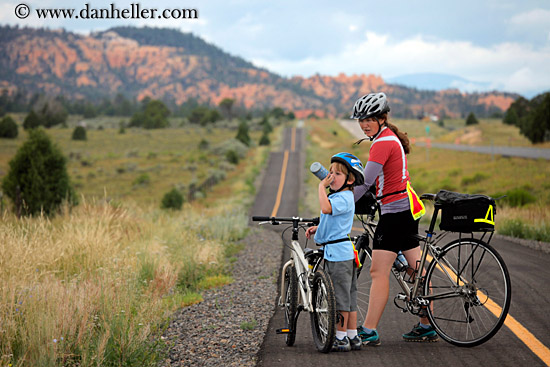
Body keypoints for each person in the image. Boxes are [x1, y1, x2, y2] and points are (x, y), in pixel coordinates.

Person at [350, 92, 438, 346]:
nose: (364, 124)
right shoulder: (387, 138)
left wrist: (343, 203)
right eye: (360, 120)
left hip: (395, 212)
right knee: (416, 270)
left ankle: (369, 330)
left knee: (378, 271)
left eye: (369, 118)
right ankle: (426, 325)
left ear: (381, 118)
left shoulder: (382, 143)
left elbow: (365, 182)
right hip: (405, 210)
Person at [305, 152, 365, 352]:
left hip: (338, 255)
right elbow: (331, 220)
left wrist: (321, 187)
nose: (330, 177)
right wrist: (318, 228)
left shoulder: (345, 197)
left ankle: (340, 338)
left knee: (340, 298)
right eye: (329, 172)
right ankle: (352, 335)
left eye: (336, 174)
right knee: (348, 296)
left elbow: (326, 207)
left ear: (350, 180)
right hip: (342, 251)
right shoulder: (340, 196)